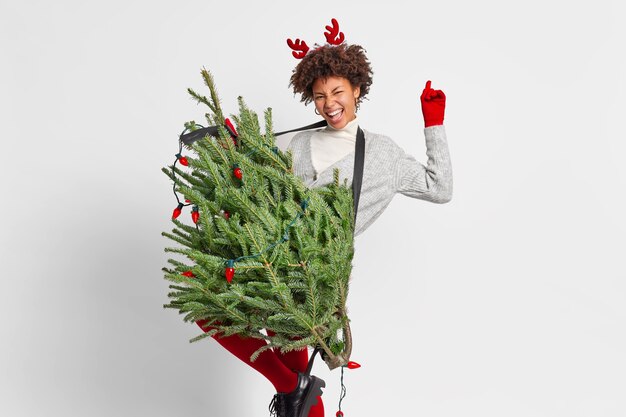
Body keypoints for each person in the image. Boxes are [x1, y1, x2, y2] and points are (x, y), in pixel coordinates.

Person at [197, 19, 452, 417]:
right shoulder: (298, 142)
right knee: (207, 308)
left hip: (312, 275)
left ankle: (293, 386)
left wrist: (433, 124)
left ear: (357, 90)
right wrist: (233, 147)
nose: (329, 103)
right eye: (319, 96)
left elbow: (440, 188)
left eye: (337, 92)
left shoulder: (384, 155)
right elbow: (261, 185)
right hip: (267, 258)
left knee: (294, 373)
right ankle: (292, 387)